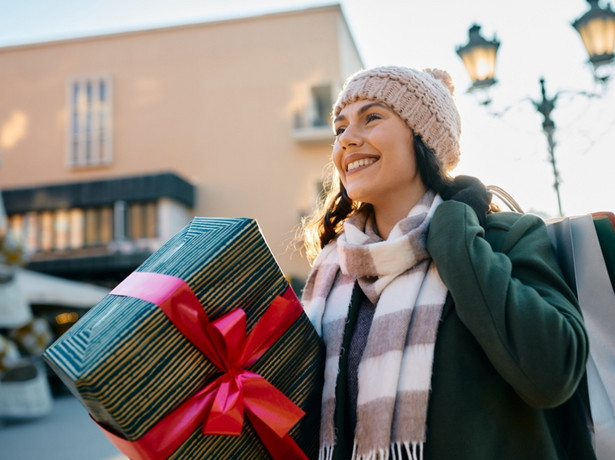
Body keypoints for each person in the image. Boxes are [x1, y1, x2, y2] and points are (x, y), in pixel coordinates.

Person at [299, 66, 596, 460]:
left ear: (424, 138)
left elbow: (552, 374)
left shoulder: (506, 238)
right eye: (340, 128)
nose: (347, 141)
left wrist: (454, 236)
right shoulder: (332, 271)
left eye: (372, 118)